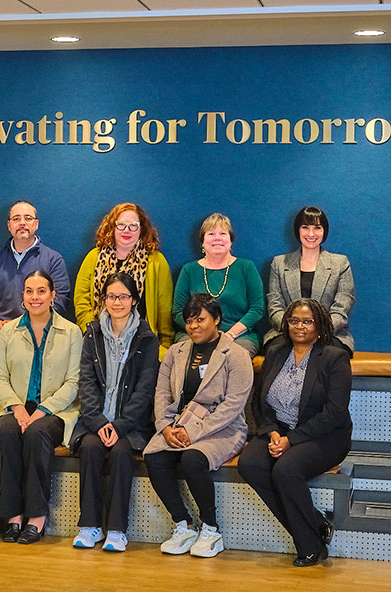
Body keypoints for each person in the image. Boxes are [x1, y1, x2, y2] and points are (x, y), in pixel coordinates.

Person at [239, 299, 352, 567]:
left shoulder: (334, 358)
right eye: (293, 321)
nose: (299, 326)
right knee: (250, 464)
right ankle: (315, 521)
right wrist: (273, 433)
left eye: (307, 321)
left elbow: (334, 413)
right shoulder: (276, 353)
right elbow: (260, 403)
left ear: (320, 325)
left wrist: (292, 440)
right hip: (279, 430)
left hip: (324, 436)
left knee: (285, 470)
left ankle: (311, 546)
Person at [143, 293, 253, 558]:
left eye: (200, 320)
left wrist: (191, 432)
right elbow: (161, 394)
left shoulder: (236, 355)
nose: (193, 326)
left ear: (216, 319)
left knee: (193, 460)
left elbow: (233, 405)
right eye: (189, 321)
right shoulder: (176, 351)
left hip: (223, 428)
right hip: (178, 423)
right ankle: (184, 524)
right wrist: (165, 427)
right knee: (154, 456)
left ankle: (211, 529)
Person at [69, 272, 160, 552]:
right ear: (103, 300)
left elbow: (145, 391)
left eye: (123, 296)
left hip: (130, 424)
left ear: (133, 300)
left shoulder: (147, 338)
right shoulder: (92, 333)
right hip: (94, 421)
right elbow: (86, 381)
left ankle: (118, 529)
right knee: (91, 448)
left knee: (122, 452)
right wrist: (97, 422)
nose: (117, 302)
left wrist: (119, 426)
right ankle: (90, 525)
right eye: (111, 296)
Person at [0, 270, 82, 544]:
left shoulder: (71, 332)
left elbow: (74, 382)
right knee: (5, 432)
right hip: (13, 406)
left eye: (41, 291)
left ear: (53, 295)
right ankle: (13, 515)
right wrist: (17, 408)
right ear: (23, 297)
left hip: (55, 410)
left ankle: (37, 516)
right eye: (29, 291)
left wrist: (41, 411)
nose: (35, 297)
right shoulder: (8, 330)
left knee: (36, 433)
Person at [74, 203, 174, 357]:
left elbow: (164, 308)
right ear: (112, 227)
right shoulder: (94, 257)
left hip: (142, 342)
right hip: (99, 341)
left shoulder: (156, 261)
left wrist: (165, 345)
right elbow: (81, 299)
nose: (127, 230)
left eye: (133, 225)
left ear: (142, 228)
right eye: (121, 225)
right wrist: (91, 331)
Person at [265, 206, 355, 357]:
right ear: (297, 230)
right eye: (305, 227)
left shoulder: (340, 263)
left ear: (324, 231)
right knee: (279, 353)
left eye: (317, 228)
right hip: (287, 333)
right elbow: (275, 307)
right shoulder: (279, 263)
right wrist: (296, 329)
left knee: (327, 354)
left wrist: (318, 330)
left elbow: (342, 307)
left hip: (329, 334)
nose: (311, 233)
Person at [172, 213, 264, 358]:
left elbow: (257, 309)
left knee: (230, 359)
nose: (217, 238)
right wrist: (201, 332)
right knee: (188, 358)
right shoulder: (188, 270)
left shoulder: (246, 267)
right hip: (194, 333)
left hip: (239, 336)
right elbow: (177, 311)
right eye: (211, 234)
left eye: (223, 233)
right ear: (202, 242)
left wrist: (230, 335)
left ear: (230, 240)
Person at [0, 200, 71, 340]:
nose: (22, 223)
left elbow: (60, 299)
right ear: (9, 226)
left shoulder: (53, 259)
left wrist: (25, 323)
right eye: (16, 219)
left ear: (36, 224)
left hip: (38, 326)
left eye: (28, 218)